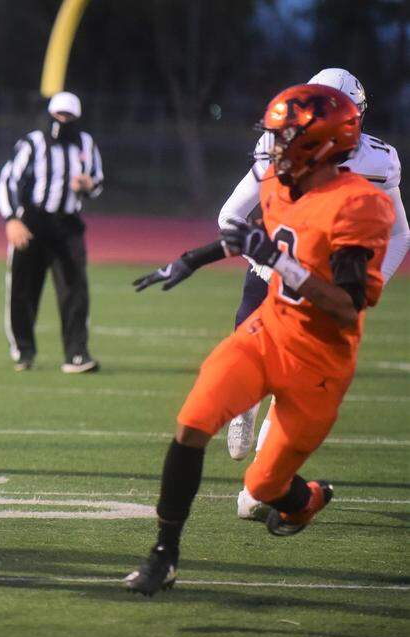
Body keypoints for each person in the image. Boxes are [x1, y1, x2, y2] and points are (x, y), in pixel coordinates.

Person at [126, 84, 393, 596]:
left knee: (263, 486)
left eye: (284, 136)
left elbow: (346, 306)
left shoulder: (358, 205)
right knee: (193, 423)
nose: (273, 146)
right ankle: (164, 554)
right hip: (267, 331)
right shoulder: (278, 182)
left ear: (319, 144)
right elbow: (251, 237)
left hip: (319, 363)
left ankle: (304, 501)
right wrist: (190, 260)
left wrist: (278, 262)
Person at [216, 68, 408, 505]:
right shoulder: (280, 147)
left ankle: (260, 485)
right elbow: (230, 215)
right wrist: (267, 263)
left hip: (323, 288)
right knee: (248, 361)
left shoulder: (377, 162)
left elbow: (400, 233)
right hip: (271, 277)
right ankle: (245, 407)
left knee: (295, 386)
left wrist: (368, 290)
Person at [0, 91, 103, 374]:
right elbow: (8, 181)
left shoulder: (86, 143)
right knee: (23, 289)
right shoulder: (33, 143)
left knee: (75, 290)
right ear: (50, 115)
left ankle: (76, 354)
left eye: (69, 115)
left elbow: (97, 180)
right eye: (59, 114)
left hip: (68, 224)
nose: (63, 120)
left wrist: (89, 186)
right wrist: (11, 219)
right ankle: (24, 350)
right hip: (32, 222)